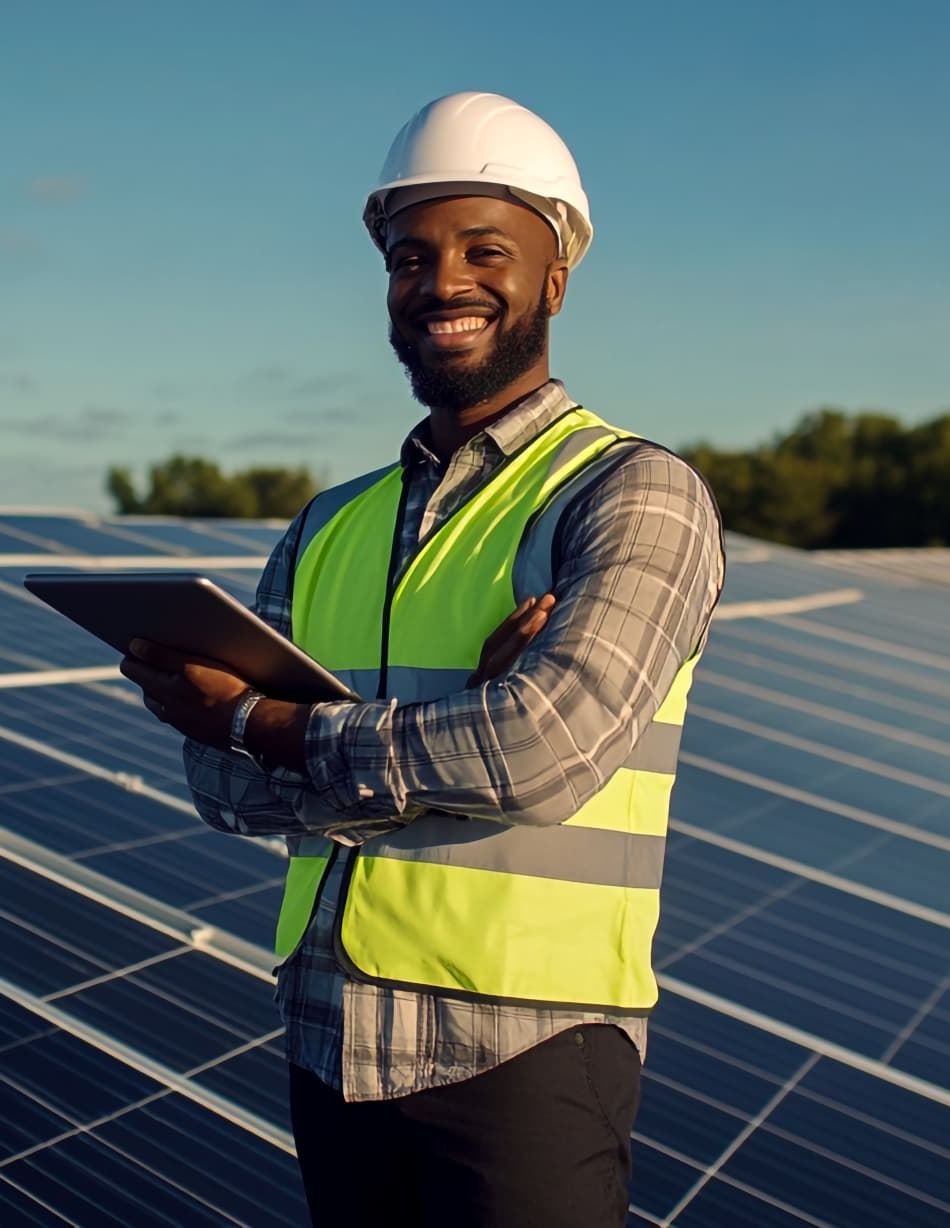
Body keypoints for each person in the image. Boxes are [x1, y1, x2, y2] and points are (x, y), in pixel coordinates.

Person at [120, 91, 725, 1227]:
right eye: (411, 256)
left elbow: (543, 750)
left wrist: (280, 727)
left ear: (555, 277)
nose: (442, 281)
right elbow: (224, 789)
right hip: (328, 1030)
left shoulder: (633, 493)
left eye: (485, 250)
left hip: (522, 1043)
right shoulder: (327, 523)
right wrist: (444, 736)